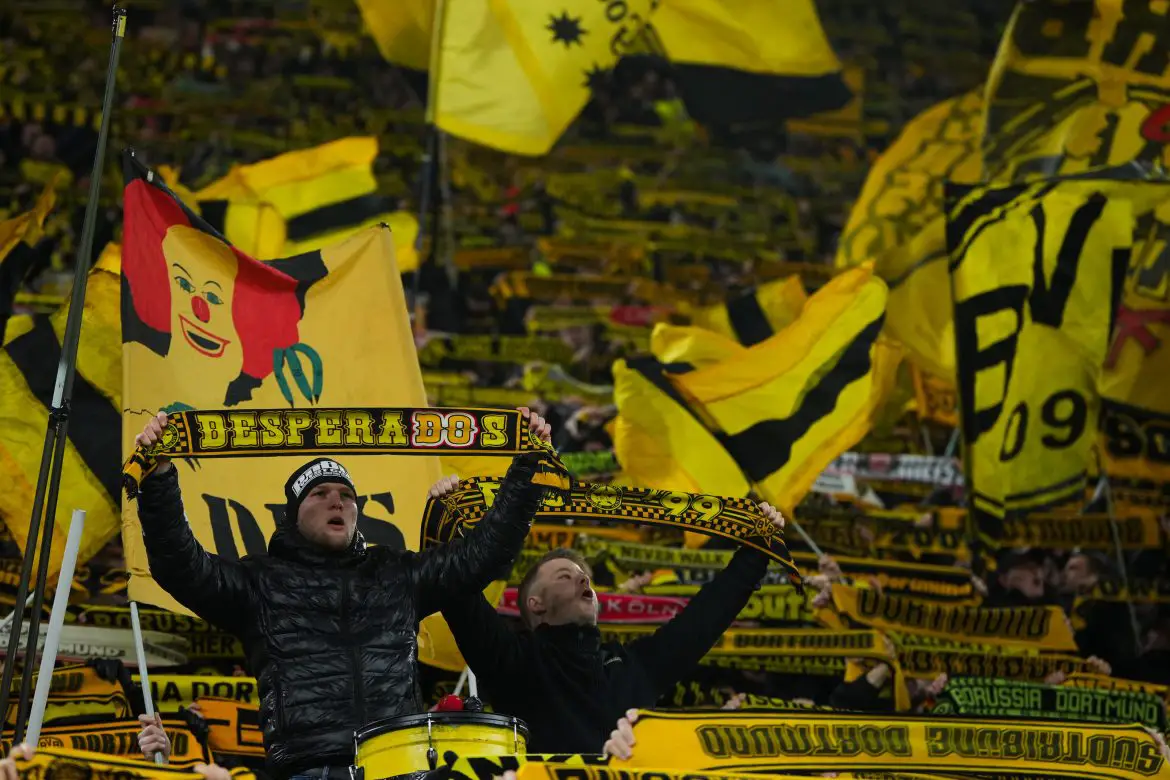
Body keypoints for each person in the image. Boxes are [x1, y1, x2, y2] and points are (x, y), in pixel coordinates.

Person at [133, 407, 553, 780]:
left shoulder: (395, 572)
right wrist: (160, 482)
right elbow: (180, 566)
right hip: (308, 769)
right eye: (320, 494)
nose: (337, 501)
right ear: (293, 514)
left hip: (399, 766)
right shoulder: (259, 581)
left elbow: (483, 556)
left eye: (347, 496)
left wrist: (526, 474)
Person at [431, 474, 786, 754]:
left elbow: (703, 620)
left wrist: (757, 552)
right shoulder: (514, 662)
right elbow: (457, 589)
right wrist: (442, 522)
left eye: (583, 575)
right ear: (535, 604)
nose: (583, 579)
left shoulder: (633, 668)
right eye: (565, 576)